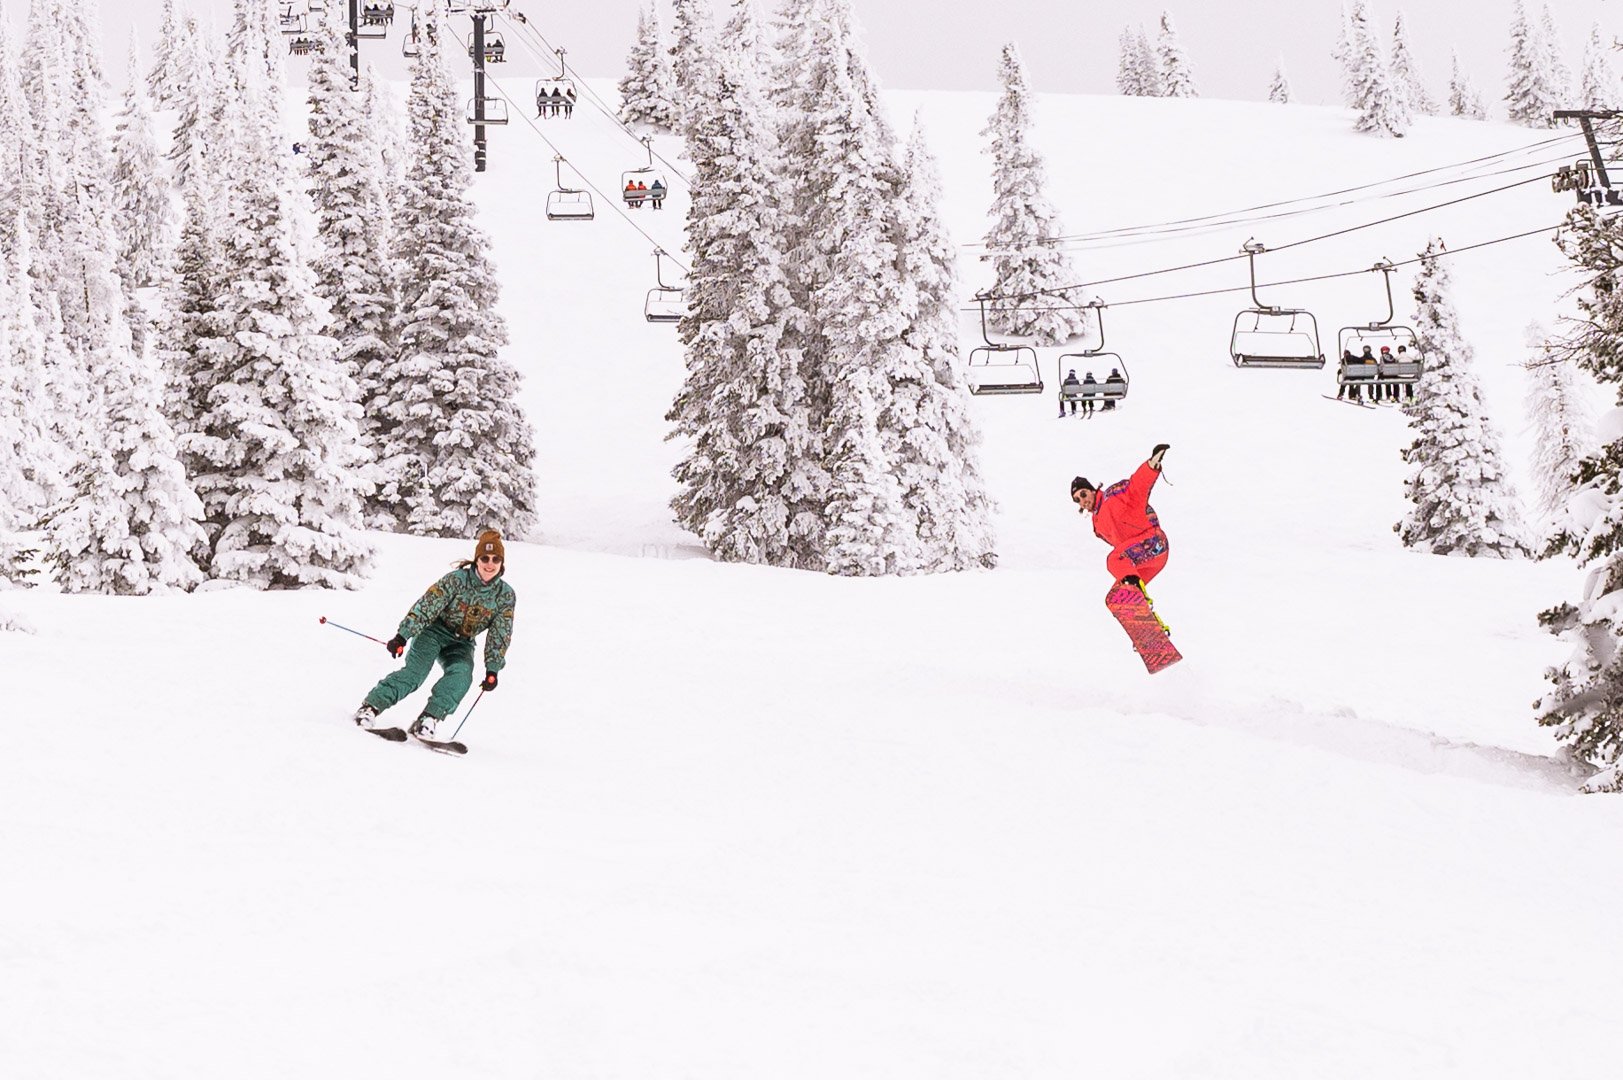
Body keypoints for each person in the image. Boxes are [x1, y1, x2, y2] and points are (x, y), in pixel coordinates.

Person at [352, 530, 517, 742]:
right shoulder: (456, 580)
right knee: (415, 673)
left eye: (495, 559)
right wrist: (403, 636)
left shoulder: (505, 595)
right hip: (434, 632)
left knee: (461, 675)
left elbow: (500, 632)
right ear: (477, 560)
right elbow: (428, 605)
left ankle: (428, 720)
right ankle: (370, 707)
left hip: (462, 643)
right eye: (485, 558)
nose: (489, 564)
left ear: (501, 564)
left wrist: (492, 668)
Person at [1071, 444, 1172, 611]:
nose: (1082, 500)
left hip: (1153, 542)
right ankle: (1149, 626)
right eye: (1077, 500)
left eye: (1083, 494)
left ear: (1092, 490)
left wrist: (1151, 465)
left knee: (1114, 560)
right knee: (1119, 596)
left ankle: (1136, 592)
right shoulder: (1097, 524)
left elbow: (1136, 487)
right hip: (1149, 560)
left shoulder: (1113, 496)